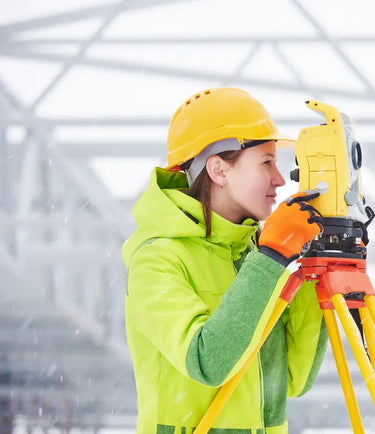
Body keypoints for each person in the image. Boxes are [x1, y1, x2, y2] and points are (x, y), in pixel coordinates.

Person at [122, 87, 329, 434]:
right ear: (219, 170)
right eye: (266, 162)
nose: (280, 179)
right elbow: (207, 363)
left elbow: (294, 379)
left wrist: (318, 268)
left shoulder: (253, 256)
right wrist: (273, 256)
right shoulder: (157, 259)